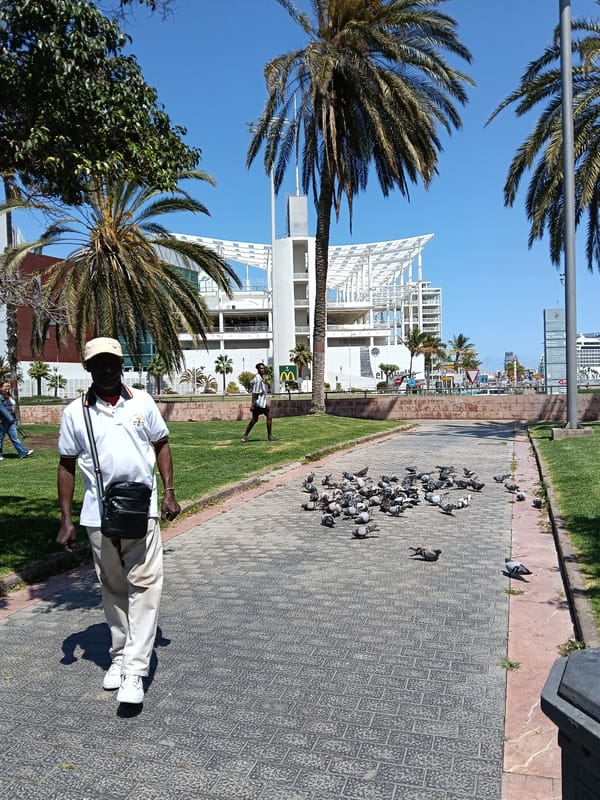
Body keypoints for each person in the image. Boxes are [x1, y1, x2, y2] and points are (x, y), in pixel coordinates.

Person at [56, 337, 181, 706]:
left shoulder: (142, 401)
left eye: (113, 362)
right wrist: (66, 520)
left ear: (122, 364)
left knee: (145, 586)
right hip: (98, 516)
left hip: (143, 513)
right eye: (99, 364)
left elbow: (161, 443)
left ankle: (135, 671)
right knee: (112, 587)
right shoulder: (74, 413)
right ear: (88, 369)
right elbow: (66, 464)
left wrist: (169, 491)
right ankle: (120, 656)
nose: (108, 369)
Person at [240, 362, 277, 442]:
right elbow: (254, 393)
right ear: (258, 369)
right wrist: (252, 405)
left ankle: (244, 436)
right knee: (269, 416)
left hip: (259, 403)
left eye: (263, 368)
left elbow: (251, 382)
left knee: (254, 420)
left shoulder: (259, 378)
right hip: (259, 404)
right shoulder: (258, 380)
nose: (263, 370)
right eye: (261, 368)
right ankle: (270, 436)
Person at [0, 381, 33, 460]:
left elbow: (13, 407)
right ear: (0, 388)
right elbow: (2, 409)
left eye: (8, 386)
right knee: (0, 438)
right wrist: (11, 419)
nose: (8, 388)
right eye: (5, 386)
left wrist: (14, 419)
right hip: (2, 420)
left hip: (11, 419)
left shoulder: (9, 395)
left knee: (14, 437)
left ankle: (23, 453)